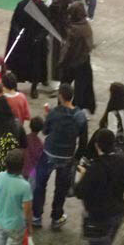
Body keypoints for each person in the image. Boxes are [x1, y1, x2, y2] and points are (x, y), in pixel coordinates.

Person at [31, 83, 88, 229]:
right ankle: (56, 217)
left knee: (40, 184)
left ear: (60, 96)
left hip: (49, 153)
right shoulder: (80, 116)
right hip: (67, 157)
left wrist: (47, 116)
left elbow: (45, 131)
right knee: (61, 188)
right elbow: (83, 142)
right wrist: (75, 158)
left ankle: (36, 216)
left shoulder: (54, 113)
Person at [60, 2, 95, 113]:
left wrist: (61, 61)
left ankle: (63, 106)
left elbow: (68, 49)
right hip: (84, 61)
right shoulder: (86, 26)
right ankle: (83, 108)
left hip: (73, 62)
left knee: (66, 85)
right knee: (83, 87)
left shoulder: (74, 30)